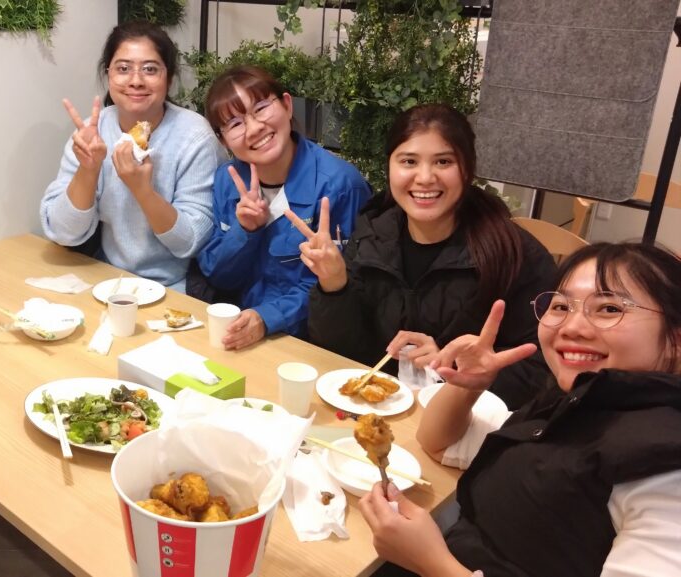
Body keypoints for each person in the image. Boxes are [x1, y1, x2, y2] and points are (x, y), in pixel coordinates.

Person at [360, 242, 681, 577]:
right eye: (561, 306)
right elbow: (438, 443)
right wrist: (468, 384)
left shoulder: (664, 466)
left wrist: (431, 562)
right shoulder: (576, 404)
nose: (571, 327)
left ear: (676, 339)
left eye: (609, 309)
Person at [290, 103, 556, 409]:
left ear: (467, 169)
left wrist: (451, 367)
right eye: (409, 161)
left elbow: (544, 370)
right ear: (389, 167)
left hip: (462, 421)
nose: (425, 177)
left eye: (443, 161)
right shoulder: (372, 235)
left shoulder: (516, 255)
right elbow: (343, 352)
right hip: (378, 413)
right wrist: (334, 285)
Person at [40, 20, 226, 291]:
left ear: (169, 78)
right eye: (123, 68)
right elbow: (62, 233)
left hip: (176, 287)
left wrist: (143, 191)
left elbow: (191, 241)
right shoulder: (93, 132)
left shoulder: (194, 136)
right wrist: (88, 170)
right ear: (108, 75)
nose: (136, 81)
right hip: (106, 280)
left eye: (150, 69)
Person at [194, 66, 371, 350]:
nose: (254, 128)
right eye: (235, 124)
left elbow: (342, 288)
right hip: (237, 333)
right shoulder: (228, 180)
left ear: (287, 105)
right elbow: (219, 277)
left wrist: (267, 318)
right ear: (222, 140)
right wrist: (245, 231)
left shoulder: (339, 185)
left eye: (261, 109)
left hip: (308, 344)